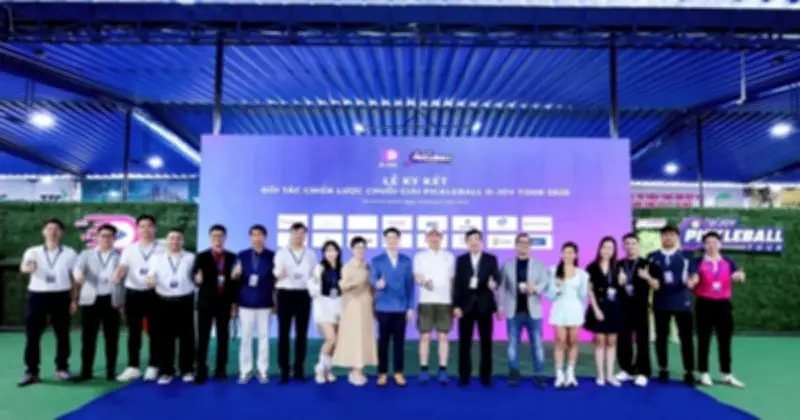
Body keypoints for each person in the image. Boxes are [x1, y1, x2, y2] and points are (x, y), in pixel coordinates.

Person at [17, 218, 79, 387]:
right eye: (49, 228)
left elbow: (74, 278)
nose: (52, 232)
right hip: (37, 297)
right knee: (32, 335)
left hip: (61, 297)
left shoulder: (70, 253)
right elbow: (25, 266)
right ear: (43, 232)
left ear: (61, 233)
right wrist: (28, 268)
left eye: (56, 229)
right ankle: (32, 372)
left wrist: (74, 299)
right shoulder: (33, 251)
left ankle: (62, 369)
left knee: (62, 334)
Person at [691, 231, 745, 388]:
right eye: (708, 242)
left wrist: (740, 277)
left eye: (714, 242)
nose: (711, 245)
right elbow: (692, 278)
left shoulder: (728, 261)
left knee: (725, 340)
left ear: (720, 244)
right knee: (703, 340)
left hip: (723, 305)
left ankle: (727, 374)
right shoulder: (697, 261)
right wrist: (692, 281)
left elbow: (736, 275)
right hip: (704, 304)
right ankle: (704, 373)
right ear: (704, 245)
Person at [115, 215, 166, 382]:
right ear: (137, 229)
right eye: (142, 226)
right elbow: (123, 266)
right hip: (133, 293)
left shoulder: (164, 247)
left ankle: (154, 365)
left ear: (155, 228)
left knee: (156, 331)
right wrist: (119, 272)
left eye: (149, 226)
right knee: (134, 332)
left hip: (155, 294)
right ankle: (133, 367)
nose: (146, 229)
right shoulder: (129, 249)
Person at [72, 224, 125, 382]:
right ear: (97, 237)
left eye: (109, 236)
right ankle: (86, 371)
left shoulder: (121, 256)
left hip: (112, 300)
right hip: (91, 301)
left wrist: (123, 301)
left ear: (114, 238)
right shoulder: (86, 254)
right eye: (103, 236)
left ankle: (111, 371)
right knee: (88, 338)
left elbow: (125, 278)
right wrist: (78, 275)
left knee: (112, 338)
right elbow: (77, 268)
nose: (106, 239)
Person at [146, 228, 197, 385]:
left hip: (185, 301)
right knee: (165, 338)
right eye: (172, 238)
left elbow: (197, 277)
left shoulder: (191, 257)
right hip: (164, 301)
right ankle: (166, 371)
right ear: (166, 240)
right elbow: (150, 275)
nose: (175, 241)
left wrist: (199, 278)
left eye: (178, 238)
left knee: (187, 338)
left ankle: (187, 370)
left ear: (183, 241)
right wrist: (150, 280)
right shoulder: (157, 258)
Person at [499, 232, 549, 387]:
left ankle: (539, 374)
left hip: (534, 311)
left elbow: (545, 282)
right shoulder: (507, 265)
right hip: (513, 311)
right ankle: (513, 373)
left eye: (527, 243)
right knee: (512, 345)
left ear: (530, 246)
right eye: (521, 243)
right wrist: (500, 306)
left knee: (537, 345)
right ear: (516, 245)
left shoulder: (539, 265)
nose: (524, 246)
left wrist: (535, 288)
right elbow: (502, 287)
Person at [648, 225, 696, 386]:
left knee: (686, 338)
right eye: (665, 235)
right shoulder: (652, 257)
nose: (668, 237)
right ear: (661, 237)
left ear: (677, 237)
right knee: (661, 337)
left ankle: (689, 371)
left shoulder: (686, 256)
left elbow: (694, 275)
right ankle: (663, 368)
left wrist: (693, 281)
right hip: (661, 302)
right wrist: (651, 282)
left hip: (683, 302)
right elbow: (649, 277)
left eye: (671, 235)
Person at [453, 228, 501, 387]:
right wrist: (456, 305)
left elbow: (497, 277)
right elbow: (457, 285)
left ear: (481, 241)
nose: (473, 242)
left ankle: (486, 376)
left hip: (484, 306)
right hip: (465, 307)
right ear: (467, 243)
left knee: (486, 343)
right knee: (464, 343)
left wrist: (494, 283)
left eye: (476, 239)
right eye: (470, 239)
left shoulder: (491, 259)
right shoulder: (461, 260)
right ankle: (464, 376)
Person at [192, 224, 237, 383]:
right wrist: (196, 279)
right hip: (206, 303)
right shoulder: (201, 256)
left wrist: (234, 304)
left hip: (225, 303)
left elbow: (235, 283)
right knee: (203, 337)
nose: (217, 239)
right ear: (210, 238)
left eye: (220, 236)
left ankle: (221, 369)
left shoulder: (232, 257)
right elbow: (194, 275)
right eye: (214, 236)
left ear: (225, 238)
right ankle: (201, 369)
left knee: (223, 337)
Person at [370, 227, 415, 387]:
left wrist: (410, 307)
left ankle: (398, 373)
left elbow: (410, 286)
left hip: (401, 309)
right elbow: (372, 279)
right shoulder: (377, 260)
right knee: (383, 343)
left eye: (395, 237)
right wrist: (377, 283)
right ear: (385, 240)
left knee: (399, 343)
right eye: (389, 238)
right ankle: (382, 373)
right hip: (383, 308)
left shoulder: (406, 261)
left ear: (399, 240)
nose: (392, 240)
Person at [272, 222, 316, 383]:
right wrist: (279, 274)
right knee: (283, 333)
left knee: (301, 334)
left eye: (302, 233)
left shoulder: (310, 254)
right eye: (296, 233)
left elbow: (314, 274)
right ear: (290, 234)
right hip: (285, 294)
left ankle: (299, 368)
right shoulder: (281, 253)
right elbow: (276, 272)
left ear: (305, 235)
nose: (299, 236)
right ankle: (284, 370)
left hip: (303, 295)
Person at [231, 224, 275, 384]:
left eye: (260, 234)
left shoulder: (272, 256)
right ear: (250, 237)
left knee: (264, 338)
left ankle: (263, 370)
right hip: (245, 303)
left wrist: (275, 302)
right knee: (246, 338)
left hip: (265, 303)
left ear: (265, 237)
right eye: (254, 235)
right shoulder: (242, 255)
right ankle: (245, 371)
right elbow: (234, 277)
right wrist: (235, 273)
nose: (257, 238)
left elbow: (276, 281)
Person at [412, 228, 455, 385]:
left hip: (445, 302)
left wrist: (453, 301)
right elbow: (417, 276)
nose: (434, 239)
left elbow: (452, 280)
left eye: (437, 237)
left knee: (443, 336)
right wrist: (424, 282)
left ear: (442, 239)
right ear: (426, 240)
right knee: (425, 336)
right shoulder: (420, 257)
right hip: (426, 301)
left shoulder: (449, 257)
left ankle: (442, 369)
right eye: (431, 237)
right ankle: (423, 369)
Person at [332, 236, 377, 386]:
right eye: (357, 247)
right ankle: (354, 370)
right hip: (352, 306)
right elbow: (344, 286)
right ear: (352, 249)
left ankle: (360, 368)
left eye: (363, 247)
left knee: (364, 337)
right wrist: (355, 283)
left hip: (365, 306)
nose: (360, 250)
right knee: (353, 338)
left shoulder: (368, 267)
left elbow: (371, 288)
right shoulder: (347, 267)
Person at [615, 233, 657, 387]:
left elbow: (657, 285)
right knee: (623, 340)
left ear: (638, 245)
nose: (630, 246)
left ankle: (642, 372)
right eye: (627, 243)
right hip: (623, 308)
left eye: (633, 243)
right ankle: (627, 369)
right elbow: (612, 287)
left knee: (642, 341)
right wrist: (619, 282)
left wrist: (647, 277)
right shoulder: (618, 264)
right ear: (623, 246)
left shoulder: (648, 264)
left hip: (641, 308)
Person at [584, 236, 626, 386]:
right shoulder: (591, 267)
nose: (607, 250)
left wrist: (623, 281)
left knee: (611, 342)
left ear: (614, 250)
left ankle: (610, 375)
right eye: (604, 247)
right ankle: (600, 375)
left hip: (614, 308)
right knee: (600, 341)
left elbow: (622, 288)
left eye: (610, 248)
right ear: (599, 249)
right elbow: (589, 291)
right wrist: (596, 309)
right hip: (598, 308)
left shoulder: (619, 267)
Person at [547, 241, 588, 388]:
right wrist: (557, 286)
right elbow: (549, 295)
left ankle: (570, 373)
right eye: (565, 252)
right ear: (561, 254)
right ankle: (559, 375)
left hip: (575, 311)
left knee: (573, 342)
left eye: (571, 252)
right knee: (560, 341)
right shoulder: (552, 271)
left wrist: (580, 309)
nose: (567, 255)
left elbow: (583, 295)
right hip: (559, 310)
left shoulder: (582, 274)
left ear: (576, 255)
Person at [310, 241, 344, 384]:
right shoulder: (319, 267)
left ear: (338, 252)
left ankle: (328, 369)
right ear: (324, 253)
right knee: (330, 338)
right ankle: (319, 368)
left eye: (333, 250)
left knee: (336, 342)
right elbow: (312, 287)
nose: (331, 253)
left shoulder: (342, 268)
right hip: (323, 307)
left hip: (339, 306)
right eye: (327, 250)